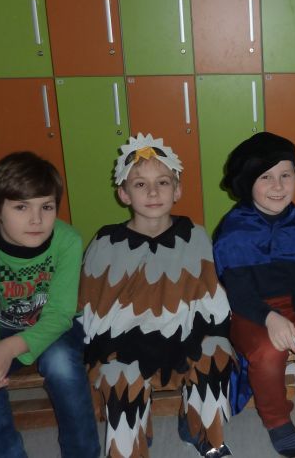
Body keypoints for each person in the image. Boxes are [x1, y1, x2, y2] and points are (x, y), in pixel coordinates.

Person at [78, 133, 233, 458]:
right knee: (120, 378)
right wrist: (98, 352)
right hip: (122, 342)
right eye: (140, 184)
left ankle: (203, 432)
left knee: (215, 353)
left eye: (162, 182)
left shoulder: (194, 235)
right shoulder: (106, 242)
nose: (152, 192)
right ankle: (131, 444)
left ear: (177, 190)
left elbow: (212, 299)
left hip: (185, 334)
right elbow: (91, 310)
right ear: (123, 193)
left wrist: (213, 334)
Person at [213, 132, 295, 458]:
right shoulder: (235, 229)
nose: (278, 186)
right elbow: (239, 294)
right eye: (266, 177)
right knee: (267, 351)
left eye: (286, 175)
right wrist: (269, 318)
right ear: (249, 183)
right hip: (249, 310)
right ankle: (277, 421)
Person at [0, 152, 100, 457]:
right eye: (21, 207)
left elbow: (60, 315)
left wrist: (9, 350)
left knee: (61, 363)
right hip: (2, 326)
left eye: (46, 207)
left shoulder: (67, 241)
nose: (36, 219)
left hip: (57, 325)